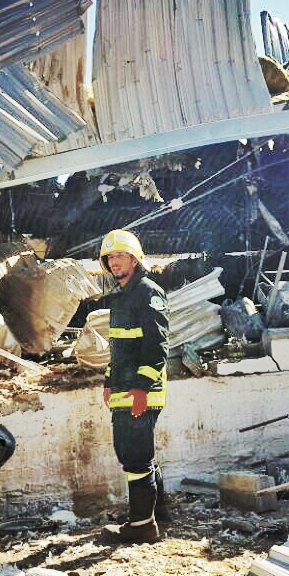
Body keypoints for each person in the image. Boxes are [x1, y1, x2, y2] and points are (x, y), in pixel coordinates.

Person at [97, 229, 170, 543]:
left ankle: (142, 526)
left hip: (140, 392)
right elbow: (120, 348)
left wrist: (141, 388)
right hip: (123, 390)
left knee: (135, 457)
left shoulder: (147, 292)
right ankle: (157, 513)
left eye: (120, 255)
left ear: (135, 259)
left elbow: (157, 347)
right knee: (136, 453)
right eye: (109, 257)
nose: (114, 262)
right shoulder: (122, 296)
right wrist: (108, 381)